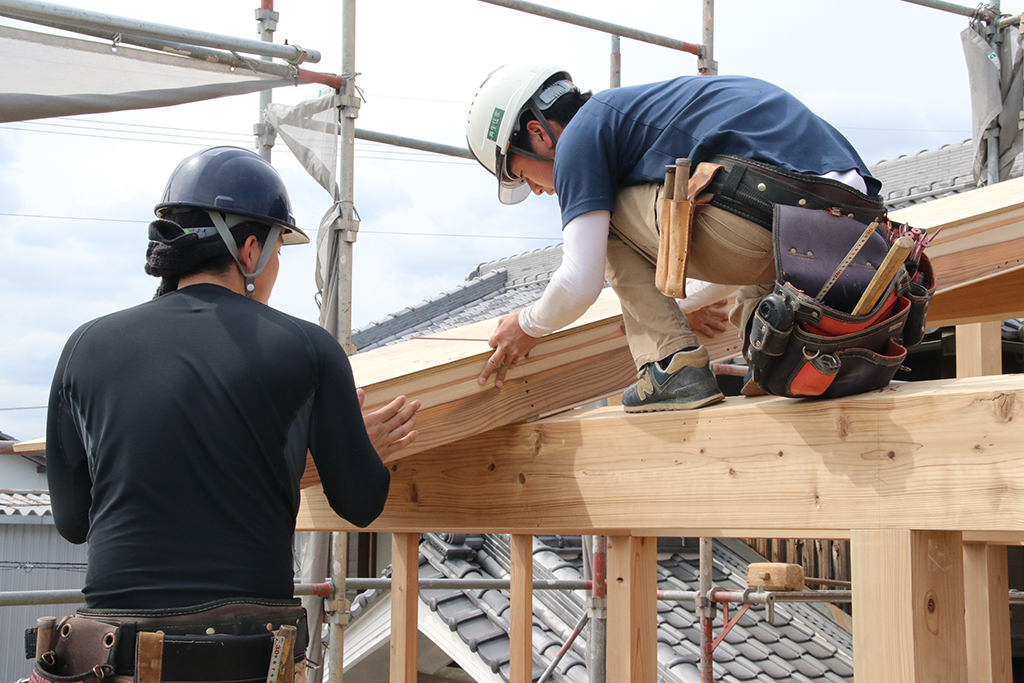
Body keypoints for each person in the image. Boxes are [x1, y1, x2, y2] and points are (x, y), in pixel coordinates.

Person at [41, 146, 418, 682]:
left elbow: (73, 522)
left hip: (111, 658)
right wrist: (361, 450)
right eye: (277, 250)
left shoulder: (85, 346)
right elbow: (359, 505)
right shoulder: (307, 349)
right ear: (249, 249)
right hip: (246, 657)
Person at [467, 65, 884, 411]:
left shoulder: (579, 136)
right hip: (852, 238)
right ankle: (770, 357)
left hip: (774, 218)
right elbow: (754, 251)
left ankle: (672, 363)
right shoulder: (657, 109)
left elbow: (581, 280)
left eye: (524, 175)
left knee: (602, 213)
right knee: (722, 210)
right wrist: (678, 308)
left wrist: (527, 326)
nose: (539, 191)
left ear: (538, 132)